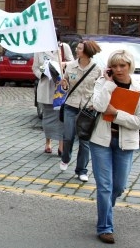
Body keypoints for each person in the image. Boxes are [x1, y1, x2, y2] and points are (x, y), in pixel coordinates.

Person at [90, 49, 140, 244]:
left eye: (122, 65)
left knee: (119, 185)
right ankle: (105, 227)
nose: (118, 69)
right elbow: (98, 106)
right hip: (101, 140)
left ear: (129, 65)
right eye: (114, 66)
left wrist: (117, 114)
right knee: (104, 186)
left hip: (126, 142)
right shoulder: (103, 83)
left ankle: (105, 207)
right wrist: (108, 84)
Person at [58, 40, 102, 182]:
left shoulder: (97, 69)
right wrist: (64, 85)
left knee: (84, 141)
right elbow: (65, 87)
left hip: (88, 109)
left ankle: (82, 170)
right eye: (77, 47)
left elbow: (100, 89)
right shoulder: (70, 66)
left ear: (88, 51)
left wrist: (95, 103)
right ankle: (65, 158)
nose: (77, 50)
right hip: (71, 105)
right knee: (68, 136)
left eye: (80, 48)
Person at [32, 36, 73, 155]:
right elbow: (35, 68)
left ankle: (61, 144)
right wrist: (43, 73)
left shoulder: (64, 48)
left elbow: (72, 63)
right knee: (47, 116)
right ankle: (48, 142)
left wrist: (62, 65)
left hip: (60, 87)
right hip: (46, 86)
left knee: (61, 116)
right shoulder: (39, 50)